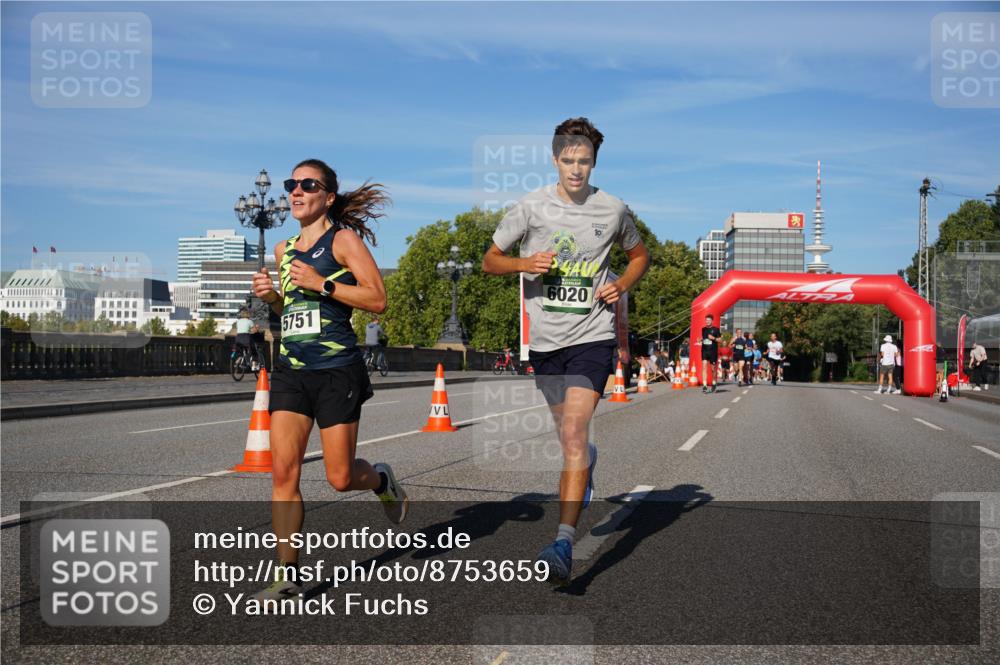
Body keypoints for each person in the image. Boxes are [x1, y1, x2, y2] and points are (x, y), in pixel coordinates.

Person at [482, 117, 649, 585]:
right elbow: (489, 260)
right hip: (547, 341)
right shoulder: (530, 208)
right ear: (554, 159)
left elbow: (640, 256)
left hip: (592, 336)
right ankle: (586, 464)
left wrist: (621, 283)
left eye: (585, 162)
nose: (576, 170)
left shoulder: (612, 209)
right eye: (568, 161)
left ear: (595, 162)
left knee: (574, 434)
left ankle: (562, 541)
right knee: (568, 439)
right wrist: (523, 263)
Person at [251, 158, 407, 600]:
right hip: (291, 371)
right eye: (291, 184)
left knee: (340, 477)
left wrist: (323, 283)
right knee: (284, 472)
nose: (296, 191)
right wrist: (274, 298)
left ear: (328, 196)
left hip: (337, 371)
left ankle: (379, 481)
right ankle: (287, 574)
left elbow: (378, 299)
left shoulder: (343, 241)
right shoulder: (282, 251)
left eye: (307, 184)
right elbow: (292, 312)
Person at [700, 314, 721, 393]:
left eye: (709, 320)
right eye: (706, 320)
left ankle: (714, 383)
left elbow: (720, 340)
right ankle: (704, 385)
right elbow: (704, 338)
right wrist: (701, 340)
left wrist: (713, 338)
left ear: (712, 321)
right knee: (704, 366)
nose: (707, 321)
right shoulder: (703, 329)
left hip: (713, 351)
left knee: (713, 369)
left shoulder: (716, 329)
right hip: (704, 351)